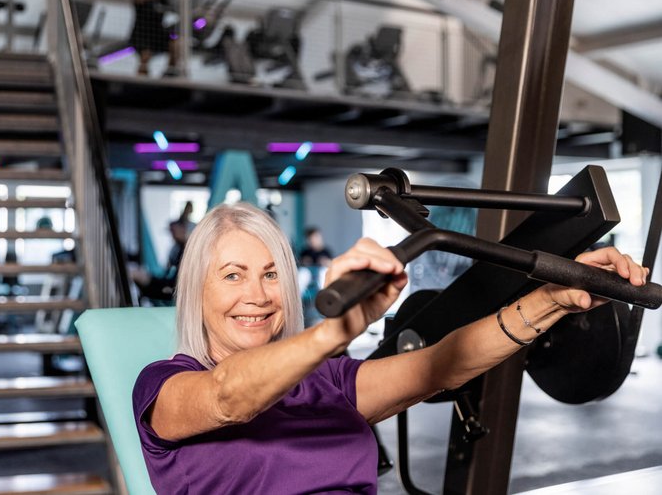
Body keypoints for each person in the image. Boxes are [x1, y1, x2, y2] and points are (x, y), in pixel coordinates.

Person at [132, 202, 648, 494]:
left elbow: (439, 366)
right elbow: (228, 397)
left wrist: (554, 299)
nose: (258, 295)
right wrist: (337, 330)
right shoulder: (163, 386)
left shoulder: (327, 381)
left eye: (271, 274)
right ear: (196, 290)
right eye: (232, 276)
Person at [130, 0, 179, 76]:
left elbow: (173, 6)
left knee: (175, 44)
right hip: (141, 32)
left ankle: (170, 72)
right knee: (145, 55)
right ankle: (141, 78)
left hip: (157, 33)